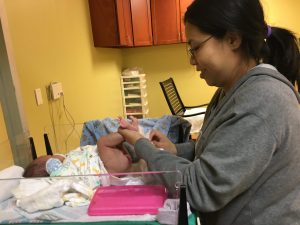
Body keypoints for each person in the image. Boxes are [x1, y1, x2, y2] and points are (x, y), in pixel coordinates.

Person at [117, 0, 300, 225]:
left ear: (233, 39)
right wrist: (176, 150)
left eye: (196, 48)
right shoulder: (231, 90)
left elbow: (199, 188)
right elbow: (223, 147)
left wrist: (141, 145)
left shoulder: (263, 99)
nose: (192, 60)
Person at [24, 117, 145, 177]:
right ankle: (129, 132)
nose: (55, 154)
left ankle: (129, 138)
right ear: (51, 165)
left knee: (113, 146)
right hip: (104, 166)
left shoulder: (66, 169)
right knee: (102, 142)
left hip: (112, 166)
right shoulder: (60, 169)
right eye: (51, 156)